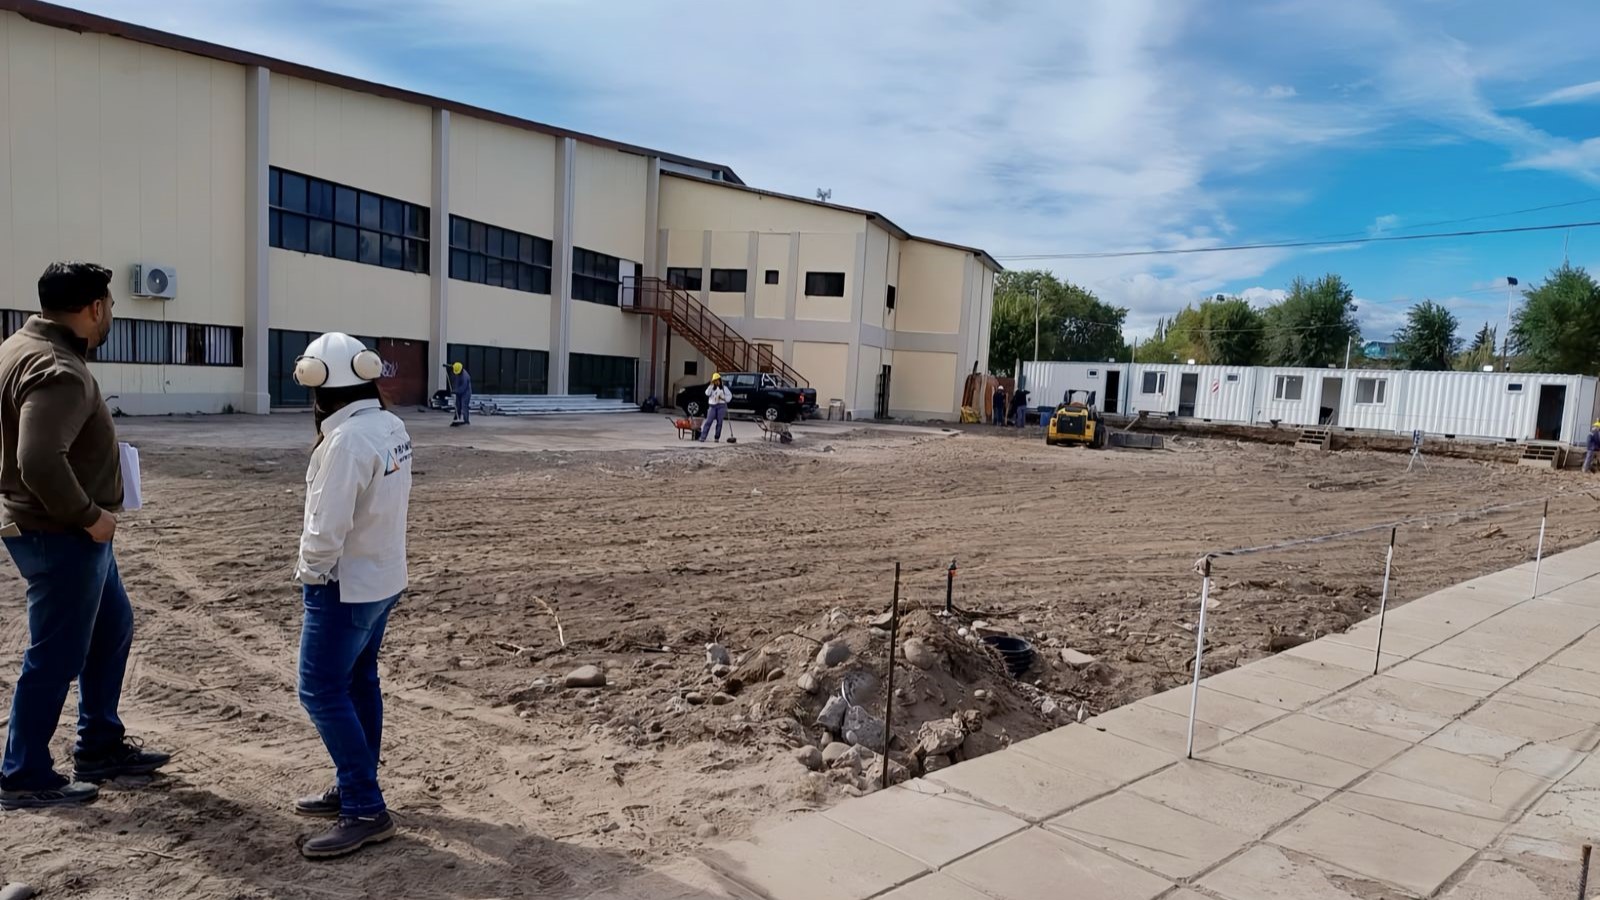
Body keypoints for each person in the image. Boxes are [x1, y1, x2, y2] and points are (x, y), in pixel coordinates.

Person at [0, 261, 170, 811]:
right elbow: (37, 459)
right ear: (94, 307)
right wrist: (89, 515)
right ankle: (24, 773)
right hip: (62, 533)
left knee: (111, 625)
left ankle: (99, 743)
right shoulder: (59, 369)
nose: (111, 315)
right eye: (112, 306)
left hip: (62, 532)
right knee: (55, 654)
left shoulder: (18, 346)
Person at [290, 332, 413, 859]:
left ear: (317, 386)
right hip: (382, 579)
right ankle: (355, 781)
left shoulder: (343, 442)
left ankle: (364, 806)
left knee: (319, 688)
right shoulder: (390, 425)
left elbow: (325, 530)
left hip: (344, 586)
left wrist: (309, 574)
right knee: (360, 679)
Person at [700, 372, 732, 442]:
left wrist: (723, 398)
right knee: (708, 421)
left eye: (717, 380)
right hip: (712, 406)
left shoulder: (724, 388)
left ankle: (717, 437)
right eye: (715, 381)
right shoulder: (711, 388)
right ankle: (703, 437)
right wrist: (711, 385)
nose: (716, 382)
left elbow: (729, 396)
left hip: (721, 406)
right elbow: (707, 393)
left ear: (720, 380)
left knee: (719, 422)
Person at [447, 362, 471, 426]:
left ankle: (466, 420)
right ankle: (456, 417)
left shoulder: (465, 377)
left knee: (464, 406)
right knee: (457, 405)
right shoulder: (457, 368)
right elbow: (452, 366)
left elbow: (463, 388)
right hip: (458, 390)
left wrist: (455, 391)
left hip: (465, 392)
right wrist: (447, 367)